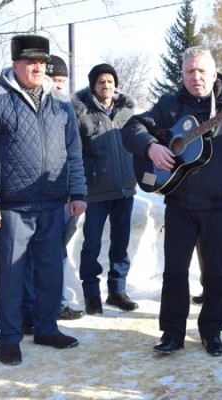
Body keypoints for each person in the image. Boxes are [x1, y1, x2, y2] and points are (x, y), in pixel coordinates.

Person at [122, 46, 222, 357]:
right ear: (183, 74)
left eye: (202, 71)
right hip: (180, 202)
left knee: (217, 271)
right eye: (190, 71)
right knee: (174, 270)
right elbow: (131, 127)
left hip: (220, 203)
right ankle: (172, 332)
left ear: (214, 74)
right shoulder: (169, 105)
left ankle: (212, 330)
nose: (196, 77)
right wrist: (151, 147)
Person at [0, 35, 87, 365]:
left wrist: (77, 192)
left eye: (41, 62)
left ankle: (47, 327)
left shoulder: (61, 103)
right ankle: (9, 337)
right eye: (30, 61)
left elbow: (73, 152)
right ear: (15, 63)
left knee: (50, 271)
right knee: (12, 273)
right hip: (12, 205)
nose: (37, 67)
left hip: (52, 202)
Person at [19, 54, 84, 330]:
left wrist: (76, 190)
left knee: (56, 254)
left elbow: (74, 154)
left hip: (63, 195)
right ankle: (30, 310)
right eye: (53, 79)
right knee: (31, 257)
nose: (58, 85)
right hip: (29, 196)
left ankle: (52, 304)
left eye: (62, 81)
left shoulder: (68, 109)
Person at [74, 63, 139, 315]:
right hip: (95, 190)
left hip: (125, 189)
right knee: (91, 244)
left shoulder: (127, 112)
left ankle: (117, 291)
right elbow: (75, 153)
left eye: (111, 81)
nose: (107, 85)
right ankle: (92, 294)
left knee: (121, 243)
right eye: (101, 81)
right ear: (93, 86)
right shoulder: (81, 114)